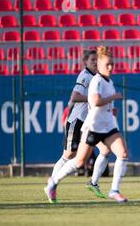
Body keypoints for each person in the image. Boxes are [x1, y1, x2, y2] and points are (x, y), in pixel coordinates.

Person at [44, 46, 128, 203]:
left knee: (117, 153)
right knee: (74, 158)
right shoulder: (88, 77)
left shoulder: (107, 80)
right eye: (94, 61)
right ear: (85, 62)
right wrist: (111, 98)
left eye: (111, 64)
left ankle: (105, 187)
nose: (98, 64)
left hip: (106, 125)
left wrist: (110, 109)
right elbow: (83, 98)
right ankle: (53, 182)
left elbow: (101, 102)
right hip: (86, 123)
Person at [50, 49, 111, 198]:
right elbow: (75, 97)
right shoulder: (84, 76)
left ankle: (93, 182)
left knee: (105, 150)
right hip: (77, 121)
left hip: (90, 123)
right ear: (85, 62)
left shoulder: (98, 77)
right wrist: (93, 99)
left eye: (97, 60)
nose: (95, 62)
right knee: (69, 155)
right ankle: (51, 185)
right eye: (92, 60)